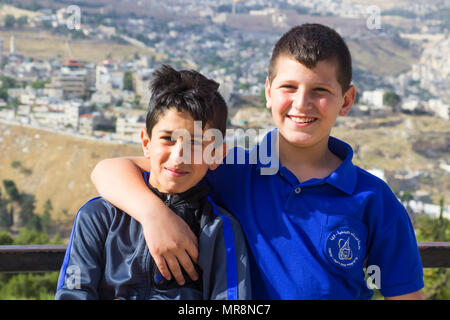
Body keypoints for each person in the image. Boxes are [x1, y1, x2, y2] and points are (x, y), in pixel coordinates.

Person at [90, 24, 424, 300]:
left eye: (320, 90)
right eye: (288, 87)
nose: (301, 103)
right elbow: (109, 170)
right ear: (268, 92)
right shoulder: (229, 164)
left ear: (346, 100)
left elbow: (404, 295)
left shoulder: (373, 199)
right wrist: (154, 215)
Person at [55, 65, 251, 300]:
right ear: (146, 143)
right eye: (168, 139)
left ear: (216, 154)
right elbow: (73, 293)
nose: (179, 156)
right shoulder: (98, 217)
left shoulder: (219, 230)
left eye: (196, 143)